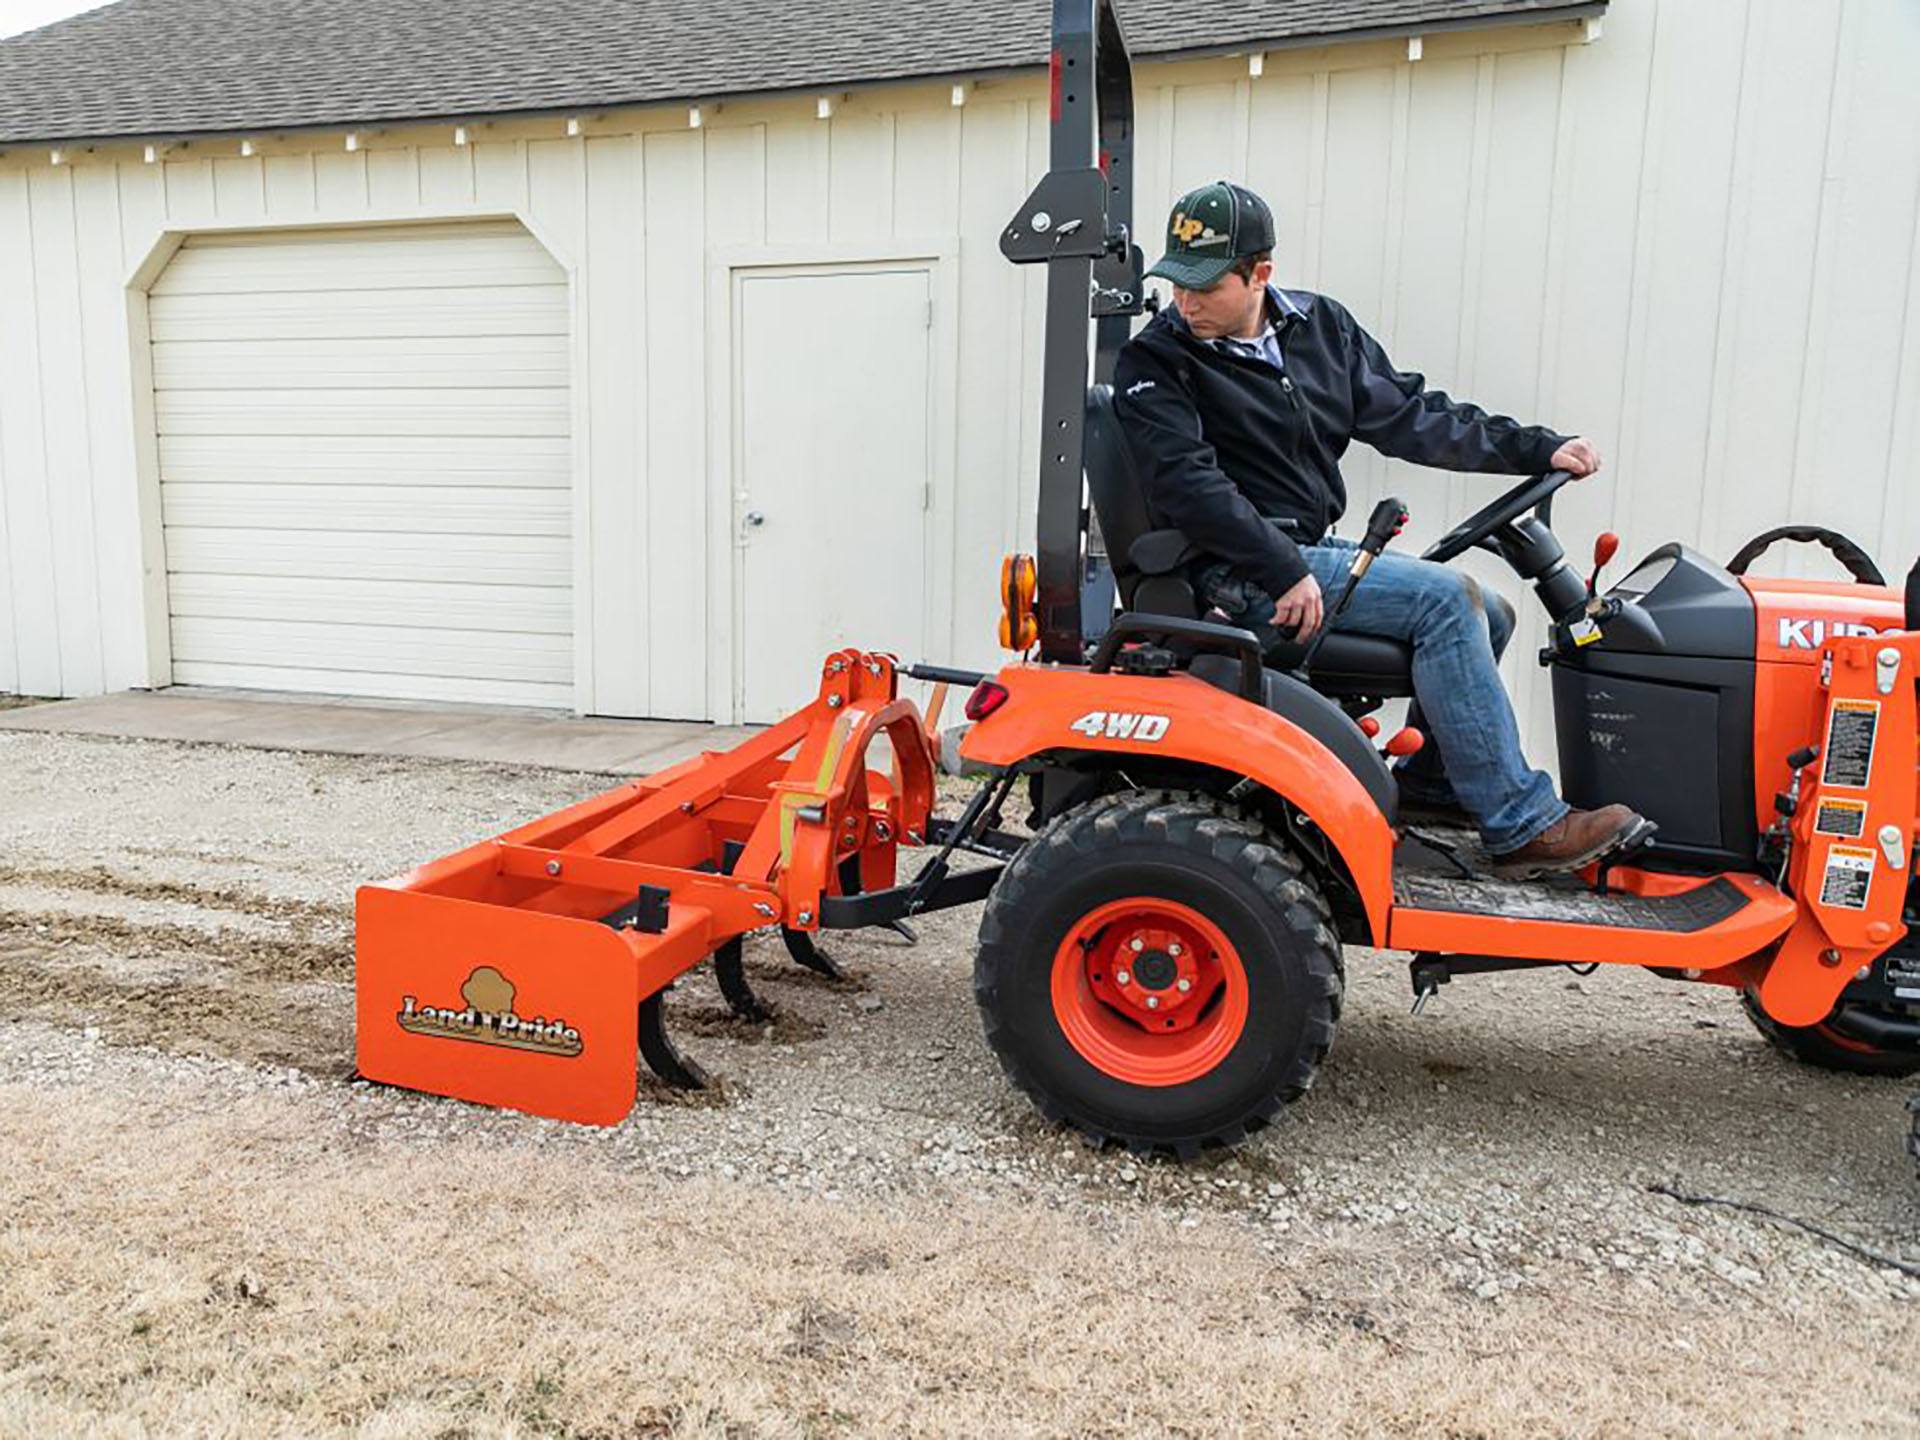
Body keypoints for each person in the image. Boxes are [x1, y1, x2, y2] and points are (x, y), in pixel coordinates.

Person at [1113, 180, 1647, 877]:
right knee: (1446, 601)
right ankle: (1521, 823)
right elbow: (1189, 485)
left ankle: (1434, 784)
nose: (1185, 302)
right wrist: (1282, 567)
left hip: (1300, 546)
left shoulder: (1321, 331)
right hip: (1230, 566)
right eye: (1177, 284)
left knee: (1488, 613)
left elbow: (1411, 414)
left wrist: (1535, 448)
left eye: (1205, 286)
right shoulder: (1158, 360)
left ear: (1260, 275)